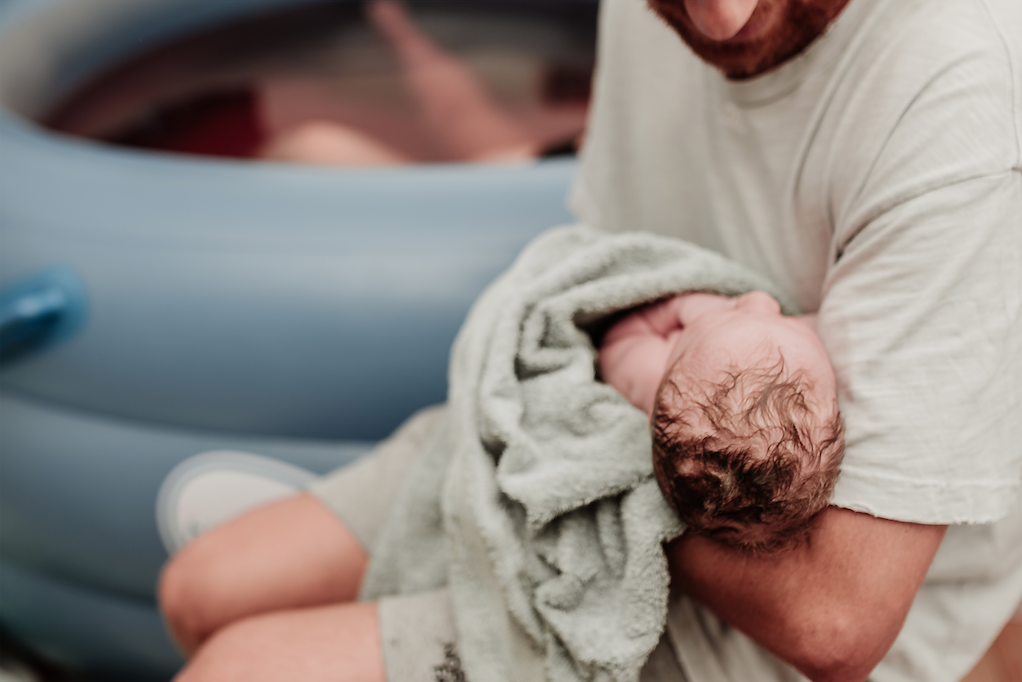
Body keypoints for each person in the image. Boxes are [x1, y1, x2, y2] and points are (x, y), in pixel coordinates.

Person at [162, 0, 1022, 680]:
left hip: (758, 618)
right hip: (575, 427)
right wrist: (611, 386)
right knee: (202, 592)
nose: (717, 20)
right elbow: (607, 265)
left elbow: (836, 621)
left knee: (239, 667)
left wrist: (615, 435)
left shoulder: (957, 102)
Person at [598, 290, 845, 552]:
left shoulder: (648, 369)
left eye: (789, 322)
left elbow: (618, 339)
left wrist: (679, 307)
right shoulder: (816, 339)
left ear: (653, 418)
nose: (762, 300)